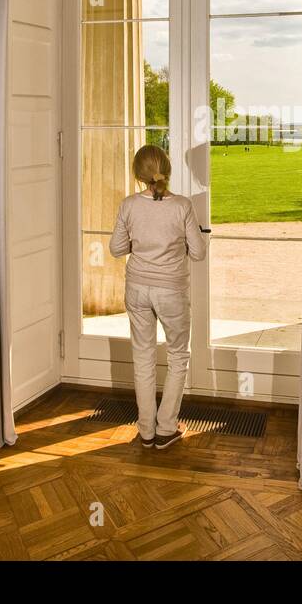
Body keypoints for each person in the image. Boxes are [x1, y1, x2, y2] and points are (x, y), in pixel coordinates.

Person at [109, 145, 207, 449]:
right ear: (167, 168)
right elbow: (199, 253)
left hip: (137, 289)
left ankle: (146, 430)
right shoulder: (182, 206)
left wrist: (140, 244)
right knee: (178, 354)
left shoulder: (128, 205)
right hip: (171, 290)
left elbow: (115, 249)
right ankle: (166, 428)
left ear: (138, 174)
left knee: (143, 356)